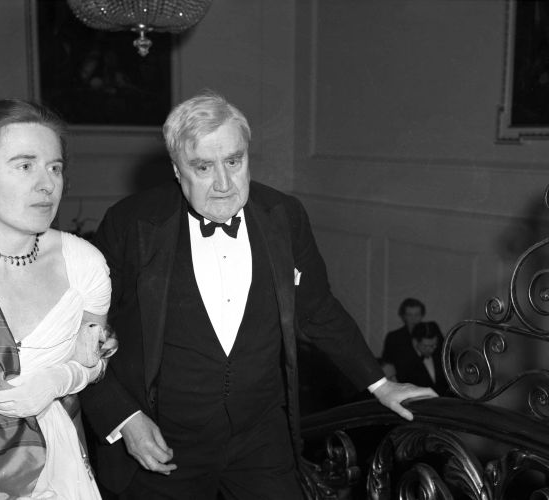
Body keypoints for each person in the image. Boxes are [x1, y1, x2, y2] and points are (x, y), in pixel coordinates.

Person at [80, 91, 437, 499]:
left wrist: (380, 385)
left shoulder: (284, 216)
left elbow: (318, 310)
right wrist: (124, 419)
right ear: (177, 171)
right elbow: (83, 331)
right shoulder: (131, 224)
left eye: (234, 161)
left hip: (260, 440)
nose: (223, 183)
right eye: (203, 167)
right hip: (162, 442)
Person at [0, 99, 115, 499]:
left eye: (54, 167)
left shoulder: (83, 262)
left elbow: (93, 357)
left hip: (59, 462)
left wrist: (58, 380)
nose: (47, 184)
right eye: (25, 165)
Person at [393, 321, 449, 395]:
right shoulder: (403, 360)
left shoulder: (441, 354)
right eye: (426, 346)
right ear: (415, 342)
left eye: (434, 345)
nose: (431, 350)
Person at [382, 297, 433, 368]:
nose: (413, 318)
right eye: (409, 315)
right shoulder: (393, 337)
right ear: (403, 316)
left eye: (417, 315)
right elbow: (387, 362)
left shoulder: (431, 333)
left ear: (422, 316)